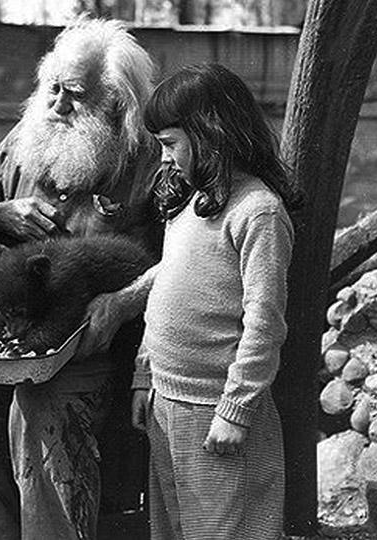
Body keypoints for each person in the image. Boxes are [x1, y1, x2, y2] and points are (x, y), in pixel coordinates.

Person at [0, 18, 161, 540]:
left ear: (116, 104)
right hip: (1, 323)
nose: (55, 105)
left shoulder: (150, 162)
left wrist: (123, 302)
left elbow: (186, 263)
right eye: (51, 87)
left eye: (74, 95)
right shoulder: (20, 142)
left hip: (92, 341)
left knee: (39, 408)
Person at [89, 63, 303, 540]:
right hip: (168, 402)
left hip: (216, 412)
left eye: (170, 145)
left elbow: (264, 324)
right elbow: (169, 294)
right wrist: (145, 377)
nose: (163, 159)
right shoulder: (192, 203)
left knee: (223, 530)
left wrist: (236, 411)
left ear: (212, 135)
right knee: (172, 527)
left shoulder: (258, 213)